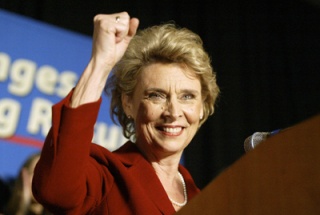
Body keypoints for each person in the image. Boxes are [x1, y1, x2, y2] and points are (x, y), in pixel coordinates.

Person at [32, 11, 219, 215]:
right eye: (157, 95)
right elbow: (57, 191)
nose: (173, 112)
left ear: (202, 107)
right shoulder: (108, 175)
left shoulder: (206, 200)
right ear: (128, 103)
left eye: (187, 96)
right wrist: (100, 64)